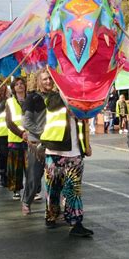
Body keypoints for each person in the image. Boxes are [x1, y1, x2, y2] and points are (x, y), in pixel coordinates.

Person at [40, 88, 94, 237]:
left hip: (75, 152)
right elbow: (52, 106)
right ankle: (51, 215)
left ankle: (76, 222)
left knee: (73, 189)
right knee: (53, 188)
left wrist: (86, 145)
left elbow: (85, 123)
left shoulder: (81, 96)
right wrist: (66, 102)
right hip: (54, 150)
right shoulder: (51, 96)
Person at [21, 69, 54, 215]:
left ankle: (53, 208)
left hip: (54, 143)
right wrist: (43, 133)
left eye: (50, 79)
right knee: (34, 177)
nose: (48, 81)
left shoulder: (57, 97)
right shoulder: (32, 98)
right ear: (39, 81)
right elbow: (26, 122)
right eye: (45, 79)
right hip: (37, 144)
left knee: (55, 178)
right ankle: (26, 202)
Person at [5, 77, 28, 200]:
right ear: (13, 88)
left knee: (30, 167)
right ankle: (16, 189)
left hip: (30, 139)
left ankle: (34, 190)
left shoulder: (31, 100)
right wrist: (21, 133)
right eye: (17, 84)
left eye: (21, 84)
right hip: (15, 139)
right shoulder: (9, 102)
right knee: (15, 167)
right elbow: (9, 122)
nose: (20, 86)